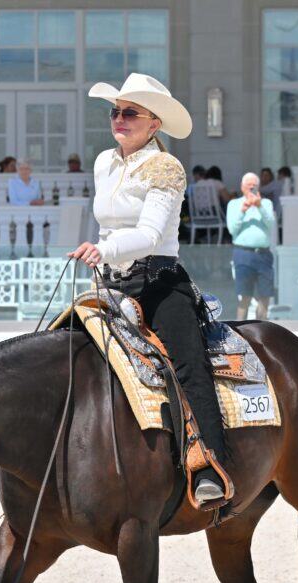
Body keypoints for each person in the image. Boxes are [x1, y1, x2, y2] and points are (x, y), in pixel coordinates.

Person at [68, 73, 231, 506]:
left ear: (154, 124)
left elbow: (152, 234)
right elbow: (108, 221)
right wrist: (102, 256)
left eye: (130, 113)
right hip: (109, 281)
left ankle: (209, 465)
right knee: (59, 346)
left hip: (157, 281)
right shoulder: (105, 162)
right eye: (115, 112)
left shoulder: (166, 167)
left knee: (189, 366)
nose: (119, 119)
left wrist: (102, 250)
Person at [227, 172, 276, 320]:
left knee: (265, 296)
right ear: (242, 187)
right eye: (249, 186)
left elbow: (271, 224)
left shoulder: (266, 204)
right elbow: (232, 229)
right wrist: (243, 209)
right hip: (243, 254)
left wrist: (259, 206)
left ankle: (262, 329)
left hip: (263, 254)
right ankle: (240, 332)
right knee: (244, 296)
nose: (252, 188)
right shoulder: (234, 204)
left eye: (254, 186)